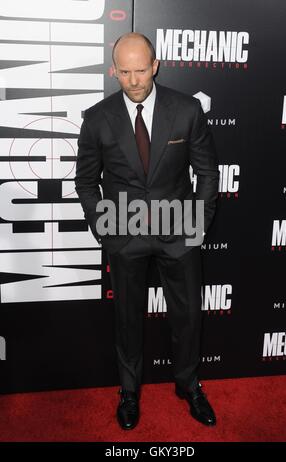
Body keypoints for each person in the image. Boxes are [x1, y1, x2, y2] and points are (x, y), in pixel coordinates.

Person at [75, 32, 219, 430]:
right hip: (123, 232)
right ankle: (129, 391)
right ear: (114, 69)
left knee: (188, 315)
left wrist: (199, 225)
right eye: (125, 72)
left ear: (155, 66)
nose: (135, 80)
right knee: (126, 318)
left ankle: (189, 385)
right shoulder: (97, 118)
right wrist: (105, 229)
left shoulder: (187, 110)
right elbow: (86, 182)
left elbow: (207, 173)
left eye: (141, 70)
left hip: (180, 232)